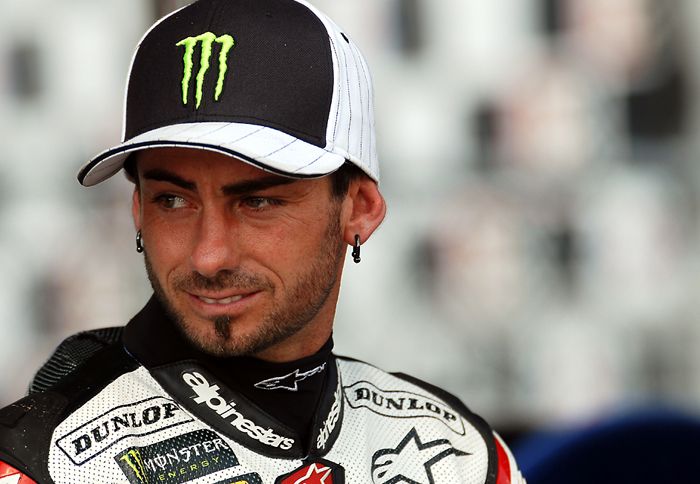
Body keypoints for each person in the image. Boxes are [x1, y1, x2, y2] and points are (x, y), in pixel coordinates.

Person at [0, 0, 525, 482]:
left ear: (360, 208)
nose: (209, 256)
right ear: (138, 210)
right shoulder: (42, 463)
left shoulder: (458, 454)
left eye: (257, 202)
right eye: (173, 200)